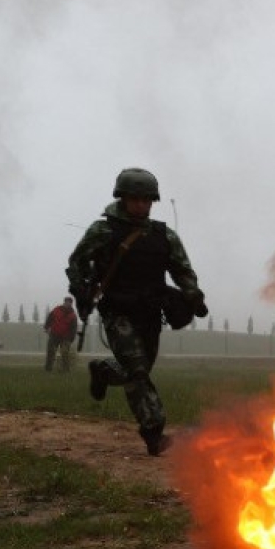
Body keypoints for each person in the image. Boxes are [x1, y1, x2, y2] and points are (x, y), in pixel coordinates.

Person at [66, 168, 208, 456]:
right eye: (135, 199)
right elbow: (76, 263)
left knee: (137, 369)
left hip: (151, 312)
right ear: (122, 198)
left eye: (147, 200)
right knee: (138, 370)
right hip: (117, 312)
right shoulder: (103, 231)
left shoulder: (163, 235)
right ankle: (153, 431)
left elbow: (182, 270)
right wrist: (81, 291)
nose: (142, 205)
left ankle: (103, 370)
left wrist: (194, 297)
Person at [43, 295, 79, 372]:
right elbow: (50, 318)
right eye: (66, 302)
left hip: (65, 337)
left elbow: (74, 328)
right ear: (64, 302)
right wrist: (46, 327)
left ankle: (66, 370)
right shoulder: (56, 310)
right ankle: (48, 369)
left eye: (69, 303)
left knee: (65, 353)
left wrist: (71, 339)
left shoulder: (73, 316)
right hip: (54, 335)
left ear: (71, 304)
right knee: (51, 352)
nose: (67, 304)